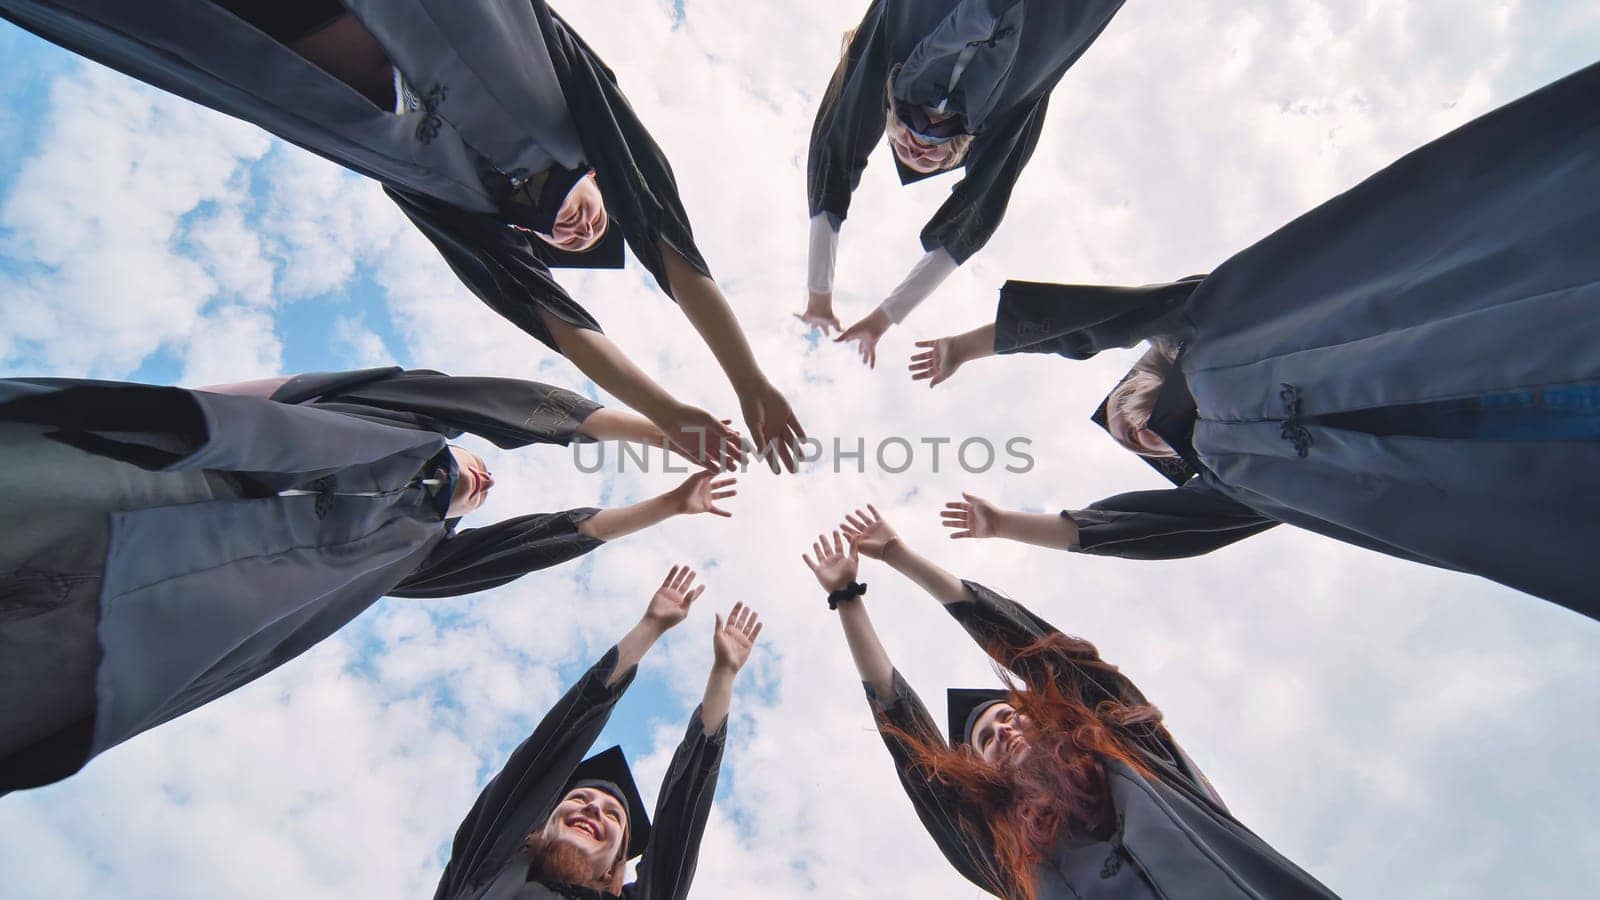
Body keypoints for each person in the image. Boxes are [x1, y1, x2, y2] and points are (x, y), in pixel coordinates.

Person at [916, 61, 1600, 618]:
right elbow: (1133, 531)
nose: (1136, 433)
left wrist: (972, 345)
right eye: (1137, 444)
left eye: (1127, 416)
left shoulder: (1209, 326)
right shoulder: (1237, 486)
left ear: (1145, 378)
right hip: (1482, 464)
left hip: (1458, 336)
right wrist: (1004, 525)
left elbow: (1095, 321)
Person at [0, 0, 805, 470]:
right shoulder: (576, 107)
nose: (578, 228)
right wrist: (749, 382)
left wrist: (669, 413)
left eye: (565, 242)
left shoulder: (463, 210)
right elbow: (665, 237)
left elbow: (568, 332)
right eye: (594, 219)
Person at [0, 366, 737, 794]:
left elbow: (541, 542)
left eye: (481, 493)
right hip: (152, 483)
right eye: (477, 469)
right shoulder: (401, 422)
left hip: (141, 621)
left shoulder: (411, 555)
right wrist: (658, 430)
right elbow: (492, 407)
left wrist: (668, 504)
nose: (481, 479)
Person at [802, 506, 1340, 899]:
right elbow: (911, 746)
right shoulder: (1005, 857)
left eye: (1011, 717)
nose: (1003, 732)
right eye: (986, 739)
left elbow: (1044, 653)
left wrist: (900, 556)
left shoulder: (1130, 748)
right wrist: (848, 599)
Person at [799, 0, 1125, 368]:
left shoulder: (895, 57)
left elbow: (835, 151)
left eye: (904, 134)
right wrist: (885, 317)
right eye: (934, 146)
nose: (918, 145)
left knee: (906, 78)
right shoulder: (1003, 110)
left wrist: (819, 294)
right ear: (962, 148)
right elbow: (973, 220)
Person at [433, 565, 763, 900]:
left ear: (612, 866)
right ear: (539, 826)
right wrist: (649, 628)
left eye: (612, 815)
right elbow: (544, 755)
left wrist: (724, 674)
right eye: (579, 798)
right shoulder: (482, 871)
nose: (592, 810)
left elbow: (679, 829)